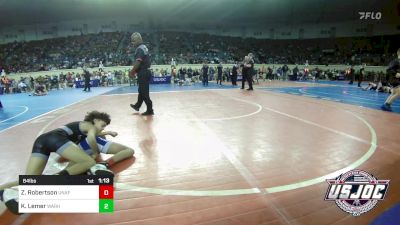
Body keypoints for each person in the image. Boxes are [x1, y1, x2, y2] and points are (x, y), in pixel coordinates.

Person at [129, 32, 154, 116]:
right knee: (141, 90)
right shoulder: (143, 47)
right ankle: (137, 105)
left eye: (134, 41)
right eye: (132, 41)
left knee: (144, 92)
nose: (132, 43)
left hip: (143, 72)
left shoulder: (139, 49)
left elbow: (138, 62)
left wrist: (132, 71)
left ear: (139, 40)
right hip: (144, 71)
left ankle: (150, 109)